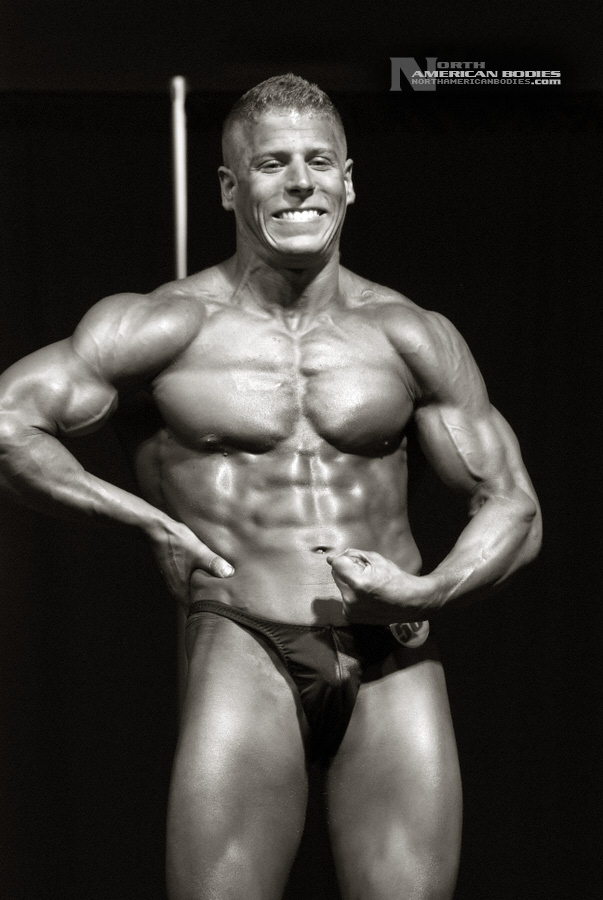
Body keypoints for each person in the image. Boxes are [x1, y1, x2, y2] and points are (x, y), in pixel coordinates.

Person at [0, 74, 541, 900]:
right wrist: (145, 519)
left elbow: (513, 504)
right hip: (244, 637)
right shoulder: (168, 324)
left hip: (392, 647)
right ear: (229, 187)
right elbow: (9, 424)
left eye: (318, 162)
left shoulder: (408, 333)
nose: (298, 182)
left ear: (347, 181)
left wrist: (430, 588)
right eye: (271, 163)